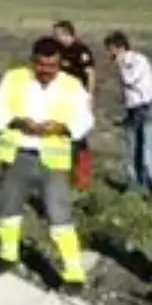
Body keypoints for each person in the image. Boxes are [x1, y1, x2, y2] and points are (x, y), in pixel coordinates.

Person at [0, 36, 95, 294]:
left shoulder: (72, 86)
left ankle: (74, 273)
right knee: (8, 209)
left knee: (59, 216)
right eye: (42, 65)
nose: (47, 71)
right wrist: (17, 122)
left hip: (53, 160)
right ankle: (8, 256)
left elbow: (86, 119)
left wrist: (63, 128)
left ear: (60, 64)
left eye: (53, 66)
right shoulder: (14, 78)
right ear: (33, 61)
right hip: (17, 154)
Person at [103, 30, 152, 196]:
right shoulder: (126, 62)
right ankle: (135, 184)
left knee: (147, 149)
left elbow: (131, 80)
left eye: (111, 49)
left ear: (119, 47)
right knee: (131, 148)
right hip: (133, 108)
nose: (109, 53)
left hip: (147, 106)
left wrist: (121, 65)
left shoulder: (137, 60)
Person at [52, 20, 96, 191]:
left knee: (79, 137)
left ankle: (82, 178)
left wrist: (89, 96)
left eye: (57, 34)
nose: (55, 38)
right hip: (62, 99)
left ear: (67, 33)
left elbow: (90, 74)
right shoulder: (58, 51)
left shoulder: (81, 51)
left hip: (78, 99)